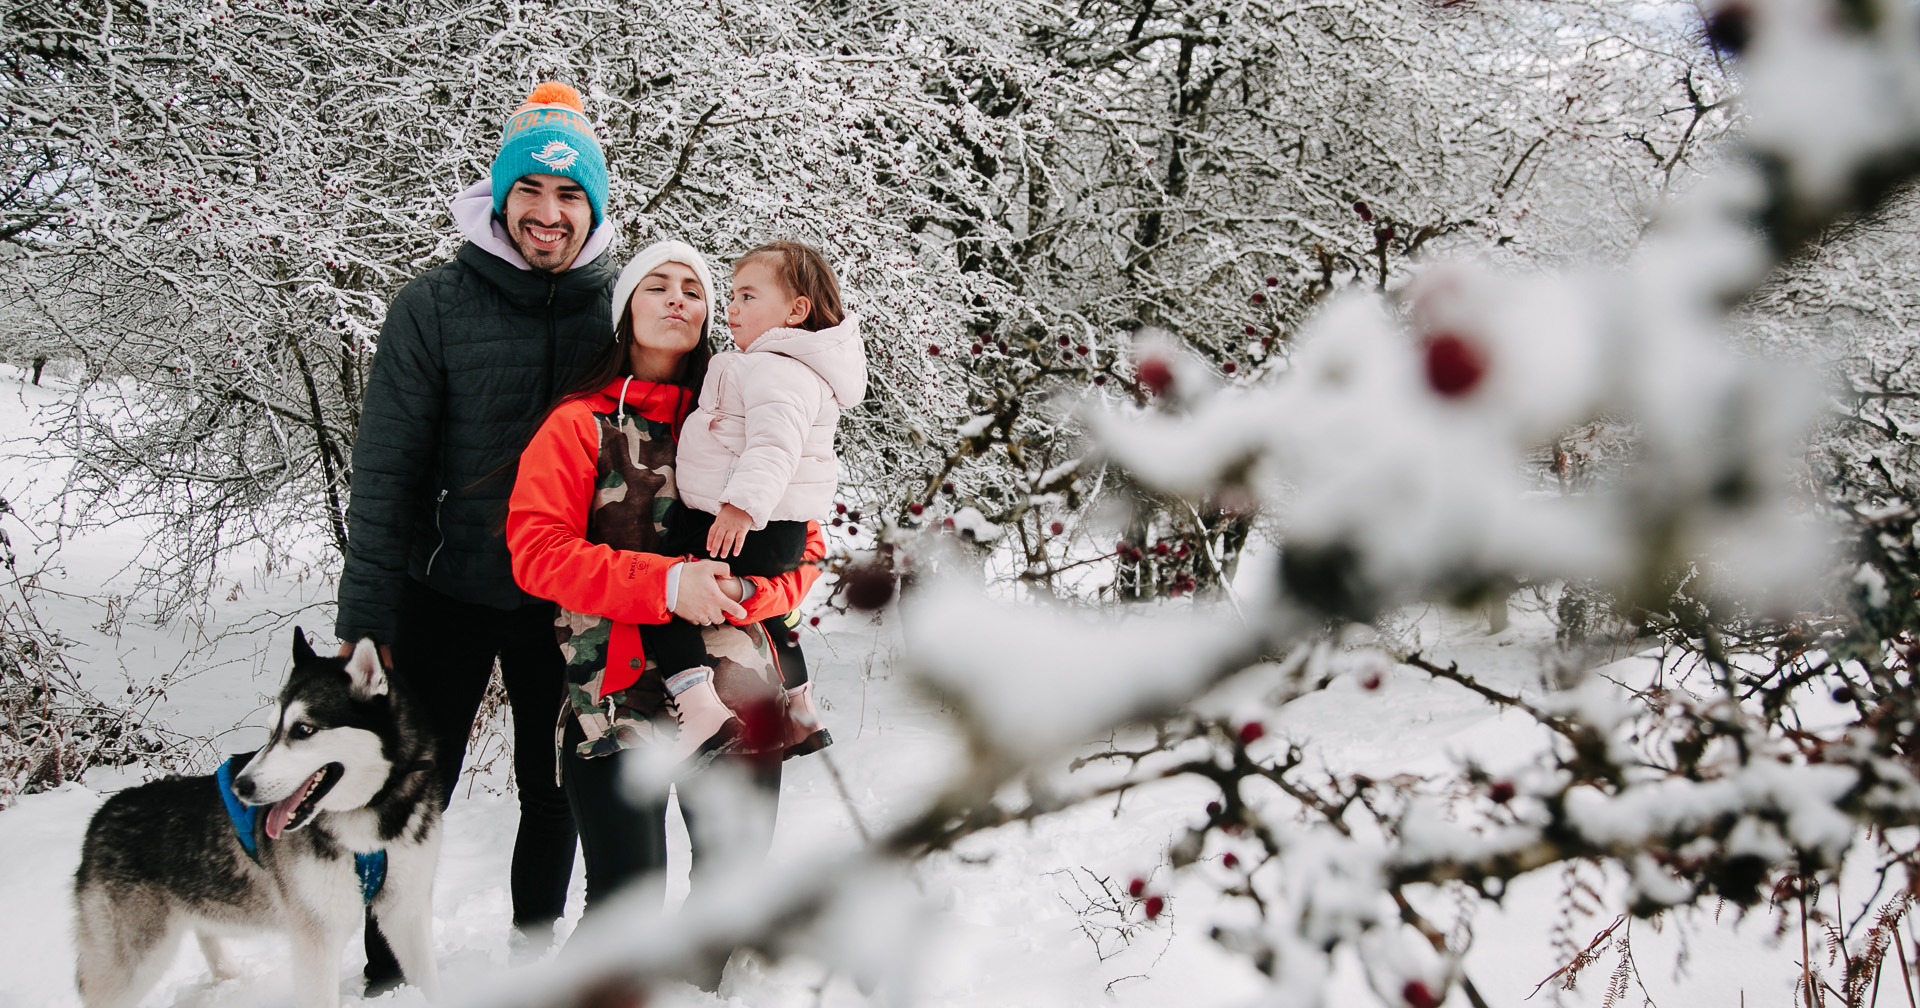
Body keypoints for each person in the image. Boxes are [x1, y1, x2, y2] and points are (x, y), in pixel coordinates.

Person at [333, 81, 618, 985]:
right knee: (414, 788)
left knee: (558, 788)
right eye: (530, 190)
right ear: (500, 198)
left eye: (571, 195)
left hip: (562, 601)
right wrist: (370, 619)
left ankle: (532, 954)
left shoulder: (621, 306)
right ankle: (384, 969)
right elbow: (387, 476)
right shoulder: (434, 306)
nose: (548, 212)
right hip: (446, 591)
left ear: (594, 208)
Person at [504, 239, 827, 936]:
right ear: (624, 311)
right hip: (613, 692)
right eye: (657, 285)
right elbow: (536, 552)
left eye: (694, 288)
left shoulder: (752, 411)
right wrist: (668, 583)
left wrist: (743, 594)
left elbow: (808, 550)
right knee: (626, 906)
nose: (678, 297)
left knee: (729, 893)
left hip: (739, 686)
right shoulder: (577, 425)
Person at [643, 239, 862, 761]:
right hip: (778, 527)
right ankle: (801, 708)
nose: (732, 309)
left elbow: (774, 445)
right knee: (772, 617)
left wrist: (741, 505)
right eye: (733, 296)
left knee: (666, 589)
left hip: (745, 522)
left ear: (795, 311)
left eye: (747, 297)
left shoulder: (775, 367)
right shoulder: (789, 366)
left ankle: (697, 706)